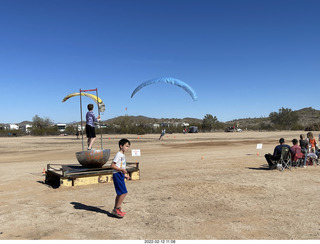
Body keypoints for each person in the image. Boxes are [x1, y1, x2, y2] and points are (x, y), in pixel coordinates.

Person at [110, 138, 131, 218]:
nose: (127, 148)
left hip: (120, 174)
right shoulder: (118, 154)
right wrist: (121, 170)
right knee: (123, 192)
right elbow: (112, 165)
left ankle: (117, 209)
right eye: (126, 146)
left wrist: (125, 174)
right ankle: (116, 209)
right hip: (117, 174)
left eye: (128, 146)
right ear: (121, 146)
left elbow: (120, 166)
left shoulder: (122, 155)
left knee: (120, 193)